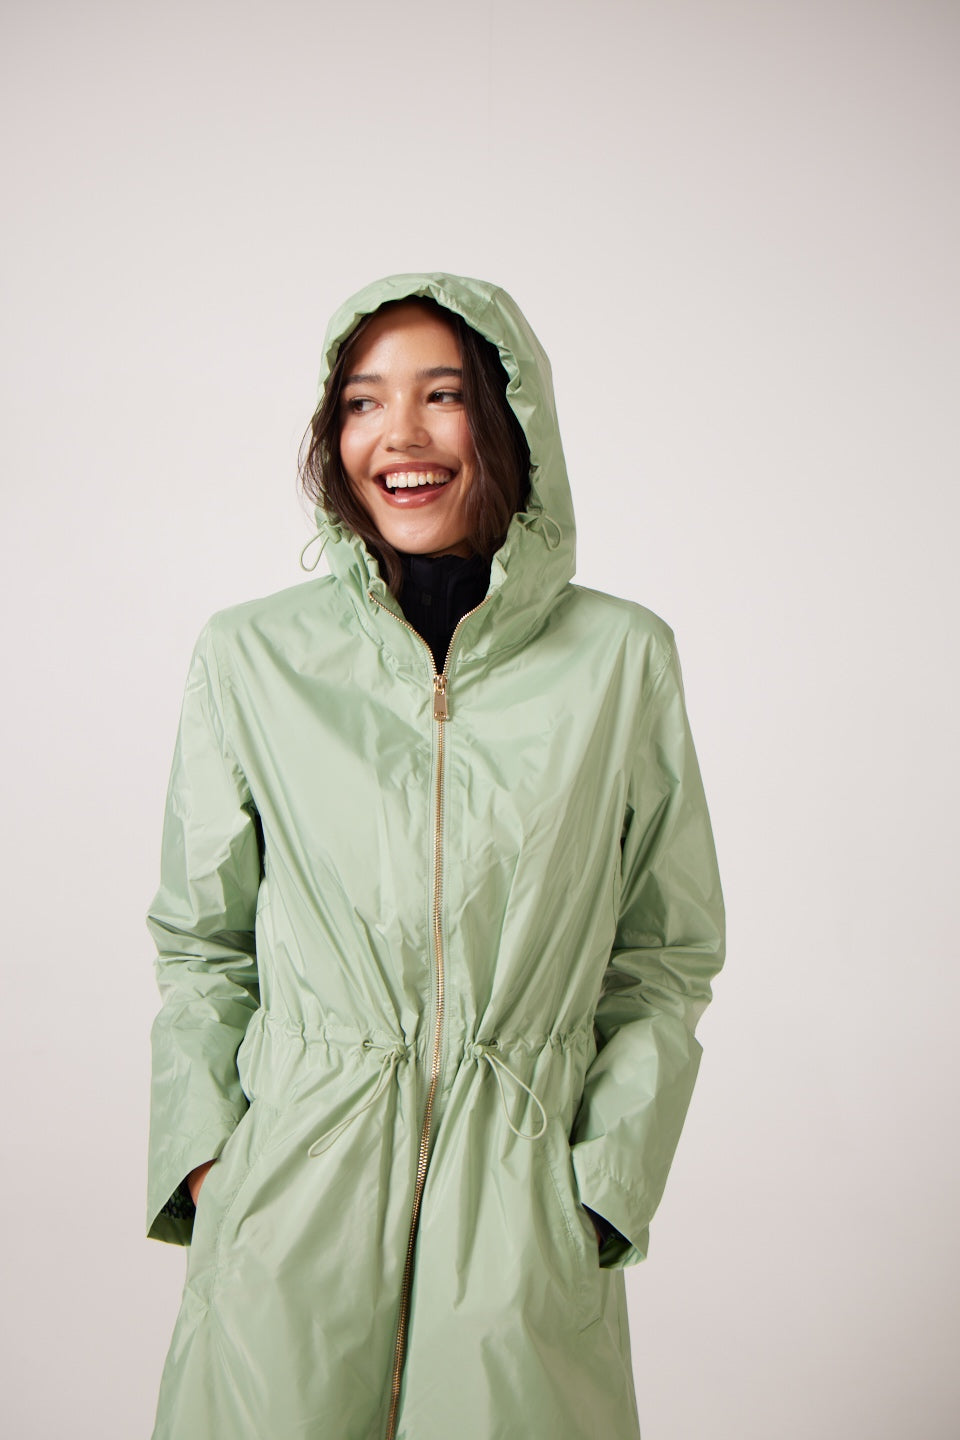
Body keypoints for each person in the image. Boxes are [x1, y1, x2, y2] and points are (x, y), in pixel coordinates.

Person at [145, 272, 725, 1440]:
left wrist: (602, 1189)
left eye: (443, 396)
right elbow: (203, 943)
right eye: (363, 403)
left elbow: (665, 953)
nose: (399, 435)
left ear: (509, 421)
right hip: (292, 1215)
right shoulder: (252, 658)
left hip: (520, 1222)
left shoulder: (621, 660)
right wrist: (213, 1163)